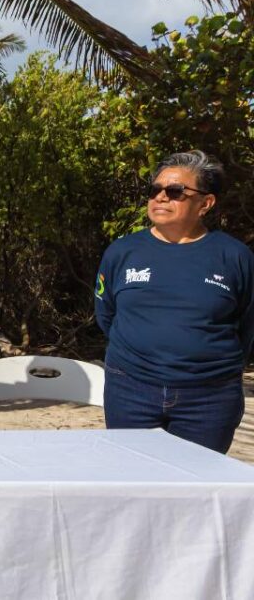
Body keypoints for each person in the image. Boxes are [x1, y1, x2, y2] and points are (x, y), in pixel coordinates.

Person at [95, 150, 252, 453]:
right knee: (134, 482)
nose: (161, 197)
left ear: (205, 203)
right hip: (130, 390)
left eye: (175, 191)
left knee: (197, 488)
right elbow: (106, 313)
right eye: (155, 190)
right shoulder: (122, 252)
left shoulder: (235, 257)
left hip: (209, 398)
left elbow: (247, 325)